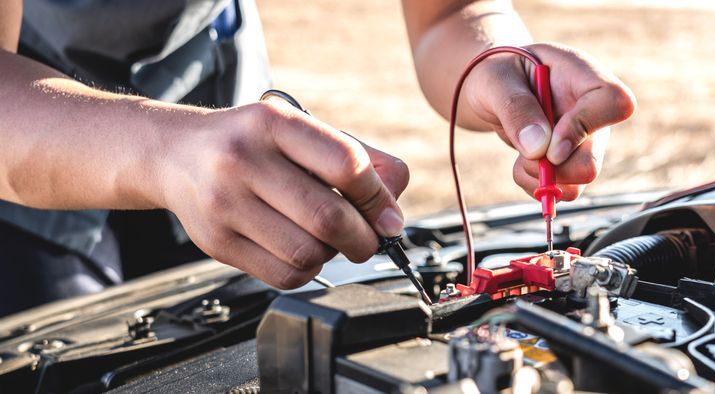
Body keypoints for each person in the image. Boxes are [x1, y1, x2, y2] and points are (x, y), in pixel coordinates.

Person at [0, 0, 635, 315]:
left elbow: (448, 14)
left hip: (223, 113)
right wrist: (162, 149)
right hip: (38, 137)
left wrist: (500, 65)